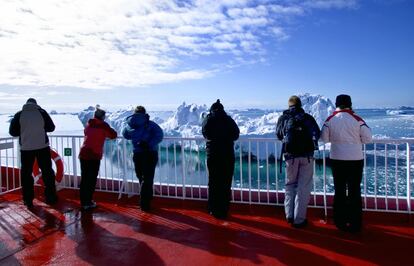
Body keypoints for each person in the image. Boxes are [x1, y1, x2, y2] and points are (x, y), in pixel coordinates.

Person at [321, 94, 372, 232]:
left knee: (339, 190)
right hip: (355, 159)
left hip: (337, 158)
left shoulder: (330, 119)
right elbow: (367, 138)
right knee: (354, 190)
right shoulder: (357, 119)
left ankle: (340, 222)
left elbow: (324, 138)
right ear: (350, 104)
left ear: (337, 104)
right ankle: (355, 223)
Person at [276, 96, 320, 228]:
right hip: (307, 156)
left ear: (289, 106)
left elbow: (279, 134)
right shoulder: (307, 118)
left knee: (290, 185)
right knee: (303, 187)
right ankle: (299, 219)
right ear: (301, 105)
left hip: (290, 156)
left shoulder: (284, 118)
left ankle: (289, 215)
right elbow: (317, 134)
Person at [9, 98, 58, 208]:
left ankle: (28, 200)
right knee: (47, 172)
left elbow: (13, 132)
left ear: (26, 104)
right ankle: (50, 197)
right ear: (36, 104)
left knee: (26, 174)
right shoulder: (42, 112)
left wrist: (24, 131)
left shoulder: (19, 114)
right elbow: (51, 128)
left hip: (26, 148)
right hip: (42, 147)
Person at [202, 100, 239, 219]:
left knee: (213, 181)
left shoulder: (209, 119)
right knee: (225, 182)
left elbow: (205, 133)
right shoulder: (228, 119)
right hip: (227, 154)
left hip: (213, 154)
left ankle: (213, 209)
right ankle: (224, 209)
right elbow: (236, 134)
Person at [122, 106, 163, 211]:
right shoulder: (150, 124)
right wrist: (149, 144)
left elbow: (125, 134)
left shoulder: (130, 124)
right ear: (144, 113)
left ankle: (146, 199)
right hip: (150, 153)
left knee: (141, 176)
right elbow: (159, 135)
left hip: (137, 154)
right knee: (148, 178)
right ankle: (145, 203)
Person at [78, 106, 117, 210]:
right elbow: (113, 135)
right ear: (103, 117)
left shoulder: (89, 124)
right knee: (91, 179)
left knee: (85, 178)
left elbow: (87, 133)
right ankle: (88, 202)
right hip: (94, 155)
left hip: (83, 153)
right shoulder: (103, 125)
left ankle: (83, 202)